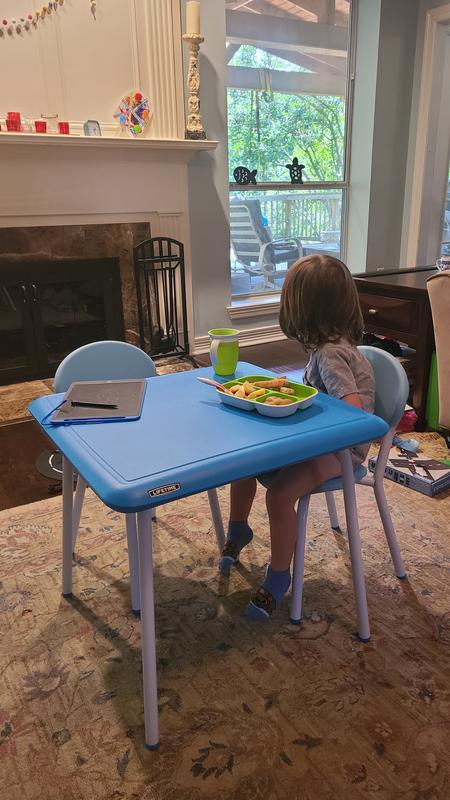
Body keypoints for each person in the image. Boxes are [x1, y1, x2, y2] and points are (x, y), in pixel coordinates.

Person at [219, 255, 375, 620]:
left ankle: (278, 577)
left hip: (340, 451)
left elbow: (355, 415)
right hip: (317, 441)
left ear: (302, 311)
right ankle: (239, 529)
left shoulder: (331, 354)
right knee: (246, 461)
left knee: (280, 494)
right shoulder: (326, 348)